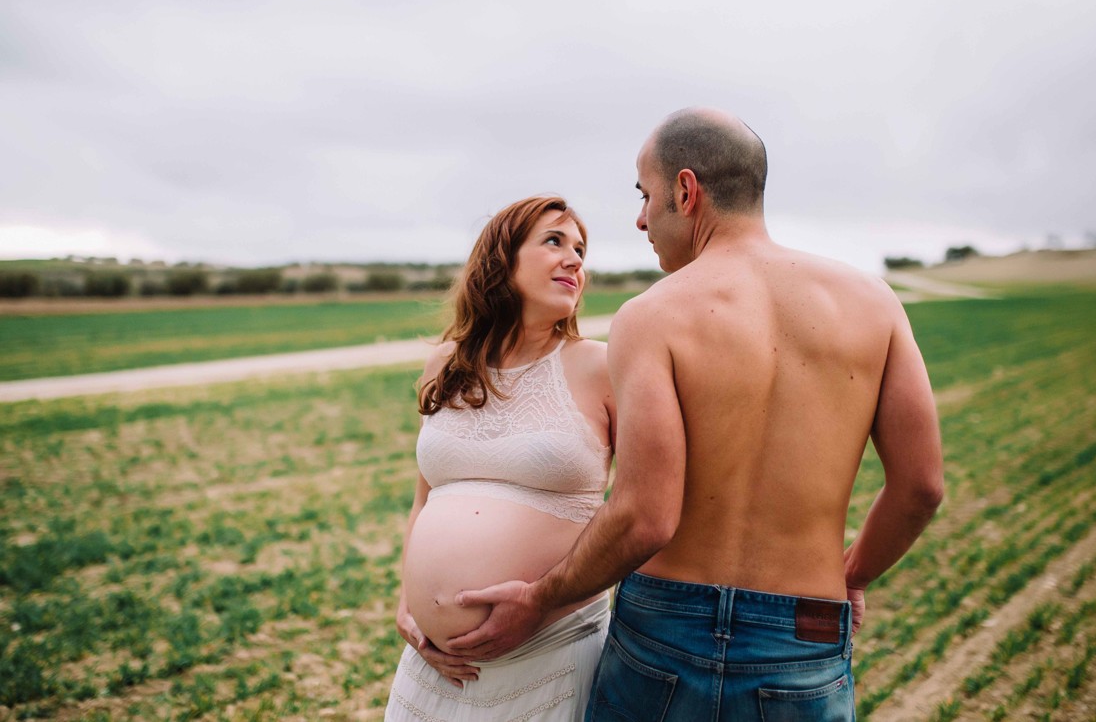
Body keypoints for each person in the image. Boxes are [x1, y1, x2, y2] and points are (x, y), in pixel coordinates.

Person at [447, 108, 945, 720]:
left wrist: (539, 597)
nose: (639, 218)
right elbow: (921, 487)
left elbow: (643, 516)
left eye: (645, 195)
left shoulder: (652, 316)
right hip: (805, 629)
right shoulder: (874, 304)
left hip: (664, 629)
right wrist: (855, 575)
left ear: (686, 191)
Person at [384, 195, 616, 721]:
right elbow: (426, 499)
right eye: (554, 241)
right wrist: (410, 601)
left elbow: (643, 504)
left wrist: (543, 600)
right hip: (433, 664)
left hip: (550, 649)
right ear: (500, 259)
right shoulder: (447, 364)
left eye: (580, 249)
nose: (575, 259)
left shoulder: (600, 366)